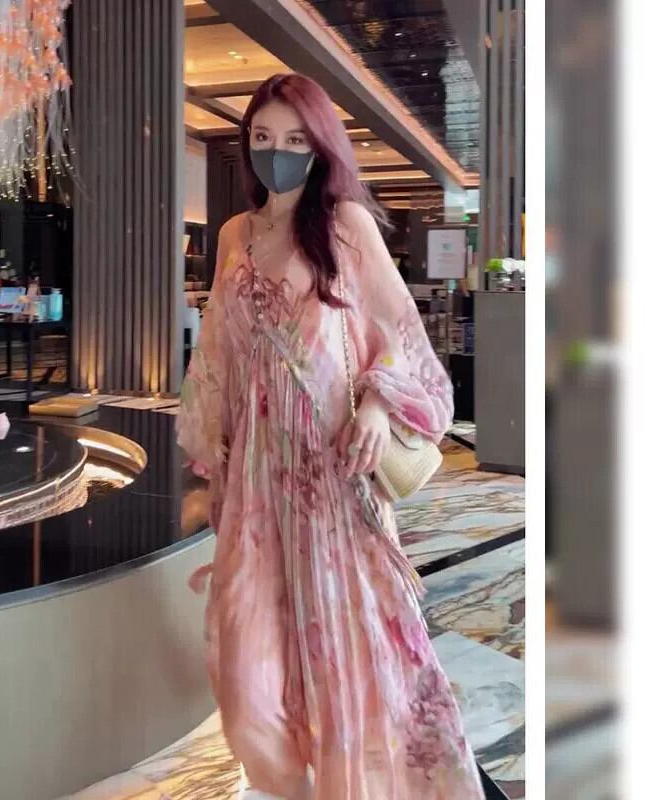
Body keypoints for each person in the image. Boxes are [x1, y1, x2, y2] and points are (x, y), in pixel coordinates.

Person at [176, 73, 483, 800]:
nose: (277, 153)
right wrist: (212, 458)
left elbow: (402, 338)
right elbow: (216, 354)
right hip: (257, 481)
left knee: (351, 659)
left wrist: (378, 403)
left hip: (332, 474)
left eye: (294, 140)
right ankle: (288, 786)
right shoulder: (234, 235)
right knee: (249, 682)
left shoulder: (344, 226)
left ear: (319, 148)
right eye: (263, 138)